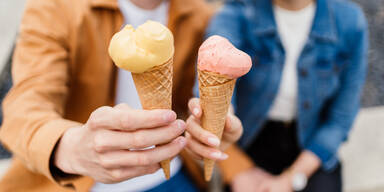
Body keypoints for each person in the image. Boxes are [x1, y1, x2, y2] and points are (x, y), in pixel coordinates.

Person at [0, 0, 243, 191]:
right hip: (71, 181)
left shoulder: (200, 15)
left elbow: (188, 106)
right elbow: (24, 107)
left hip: (169, 176)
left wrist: (208, 129)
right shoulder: (56, 7)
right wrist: (69, 147)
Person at [207, 0, 368, 191]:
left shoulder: (349, 22)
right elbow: (212, 86)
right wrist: (237, 169)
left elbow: (341, 118)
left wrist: (292, 178)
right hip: (250, 139)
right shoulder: (237, 14)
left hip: (311, 142)